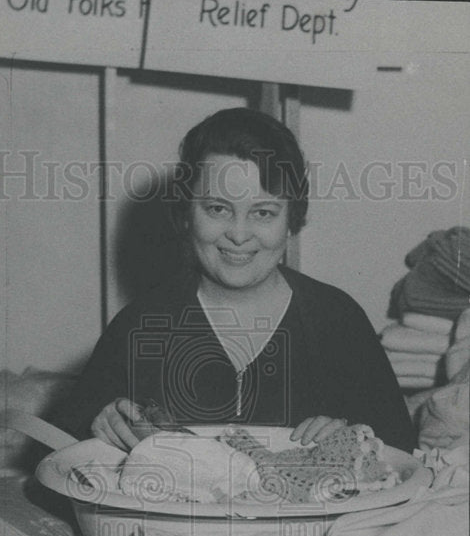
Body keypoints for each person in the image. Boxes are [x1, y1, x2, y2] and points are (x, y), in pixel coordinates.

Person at [54, 107, 415, 453]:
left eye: (263, 212)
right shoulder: (138, 326)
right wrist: (98, 427)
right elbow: (63, 457)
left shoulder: (339, 321)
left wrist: (356, 441)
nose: (239, 235)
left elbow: (403, 458)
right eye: (217, 209)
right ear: (184, 215)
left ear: (292, 221)